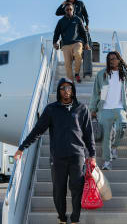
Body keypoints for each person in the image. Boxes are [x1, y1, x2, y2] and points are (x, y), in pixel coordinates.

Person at [14, 78, 96, 224]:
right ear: (59, 91)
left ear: (73, 90)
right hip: (58, 157)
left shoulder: (82, 108)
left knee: (77, 189)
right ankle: (62, 218)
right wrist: (22, 148)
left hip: (77, 156)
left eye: (69, 88)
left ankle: (75, 219)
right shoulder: (51, 109)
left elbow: (89, 134)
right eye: (63, 88)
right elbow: (37, 130)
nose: (66, 91)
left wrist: (93, 155)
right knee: (59, 191)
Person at [89, 51, 127, 170]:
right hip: (105, 109)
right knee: (106, 137)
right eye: (110, 59)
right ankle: (107, 161)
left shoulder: (125, 75)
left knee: (122, 126)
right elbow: (96, 92)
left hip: (120, 107)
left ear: (119, 59)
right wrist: (93, 108)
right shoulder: (102, 74)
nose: (112, 61)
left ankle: (114, 146)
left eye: (114, 58)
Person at [53, 3, 89, 83]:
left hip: (77, 42)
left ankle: (76, 73)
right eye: (67, 9)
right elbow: (56, 33)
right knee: (67, 63)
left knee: (78, 54)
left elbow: (83, 32)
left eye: (70, 9)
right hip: (65, 44)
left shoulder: (78, 19)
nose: (69, 11)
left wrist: (86, 43)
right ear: (65, 11)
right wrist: (54, 42)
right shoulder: (61, 21)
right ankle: (71, 81)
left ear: (73, 10)